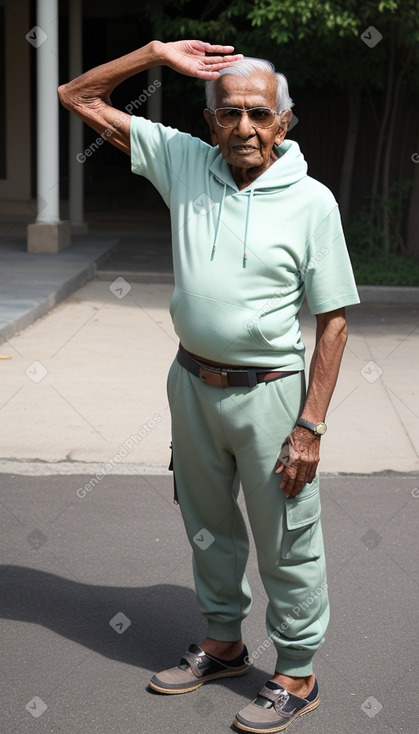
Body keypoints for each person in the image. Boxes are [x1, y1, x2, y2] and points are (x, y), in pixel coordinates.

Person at [58, 39, 360, 733]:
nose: (244, 128)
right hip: (191, 385)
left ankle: (296, 672)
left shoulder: (311, 202)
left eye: (258, 114)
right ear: (209, 119)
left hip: (273, 393)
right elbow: (74, 96)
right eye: (229, 114)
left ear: (283, 122)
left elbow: (334, 322)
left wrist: (309, 427)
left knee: (287, 538)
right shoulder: (184, 163)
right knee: (207, 528)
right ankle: (224, 644)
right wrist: (155, 54)